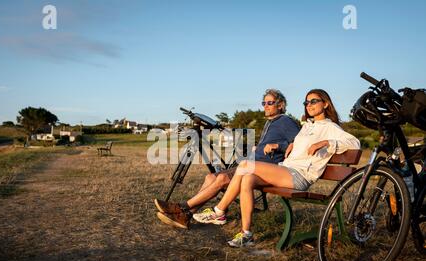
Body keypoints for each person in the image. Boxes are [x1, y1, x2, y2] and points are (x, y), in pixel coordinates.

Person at [198, 89, 361, 247]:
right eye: (306, 102)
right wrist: (289, 145)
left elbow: (355, 143)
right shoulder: (307, 126)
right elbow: (296, 142)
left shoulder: (330, 127)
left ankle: (218, 211)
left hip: (300, 175)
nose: (309, 105)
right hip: (287, 169)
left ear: (325, 104)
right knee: (247, 178)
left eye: (314, 101)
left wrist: (326, 143)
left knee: (245, 165)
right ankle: (246, 235)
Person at [154, 89, 300, 229]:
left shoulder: (285, 121)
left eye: (270, 103)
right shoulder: (271, 122)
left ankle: (181, 207)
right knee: (211, 177)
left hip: (263, 168)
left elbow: (301, 142)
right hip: (251, 163)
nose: (265, 106)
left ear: (280, 105)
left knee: (222, 178)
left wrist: (279, 146)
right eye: (264, 103)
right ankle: (186, 216)